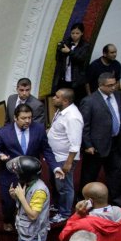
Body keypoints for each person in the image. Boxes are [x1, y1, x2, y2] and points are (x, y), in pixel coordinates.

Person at [0, 104, 63, 231]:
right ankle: (8, 220)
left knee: (31, 201)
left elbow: (46, 150)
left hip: (31, 176)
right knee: (8, 202)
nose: (28, 121)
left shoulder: (39, 129)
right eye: (24, 118)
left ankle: (29, 227)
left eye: (30, 118)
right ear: (15, 118)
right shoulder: (3, 132)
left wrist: (56, 168)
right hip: (10, 174)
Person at [79, 72, 121, 207]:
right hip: (96, 146)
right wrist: (87, 145)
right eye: (110, 85)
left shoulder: (119, 96)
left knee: (116, 173)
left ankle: (116, 201)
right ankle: (83, 202)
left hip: (116, 143)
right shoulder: (89, 101)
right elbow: (84, 126)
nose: (113, 87)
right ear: (101, 85)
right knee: (89, 175)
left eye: (115, 84)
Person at [47, 88, 83, 223]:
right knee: (55, 183)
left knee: (64, 187)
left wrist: (68, 163)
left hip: (64, 159)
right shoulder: (62, 111)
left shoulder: (73, 117)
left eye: (57, 97)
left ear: (65, 100)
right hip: (55, 156)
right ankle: (57, 206)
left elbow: (75, 144)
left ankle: (65, 213)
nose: (53, 98)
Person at [52, 22, 90, 103]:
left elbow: (81, 59)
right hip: (64, 78)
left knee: (76, 101)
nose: (75, 35)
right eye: (73, 33)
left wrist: (69, 52)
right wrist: (59, 50)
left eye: (77, 33)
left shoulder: (85, 46)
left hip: (77, 80)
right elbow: (58, 59)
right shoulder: (66, 42)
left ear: (82, 33)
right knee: (64, 101)